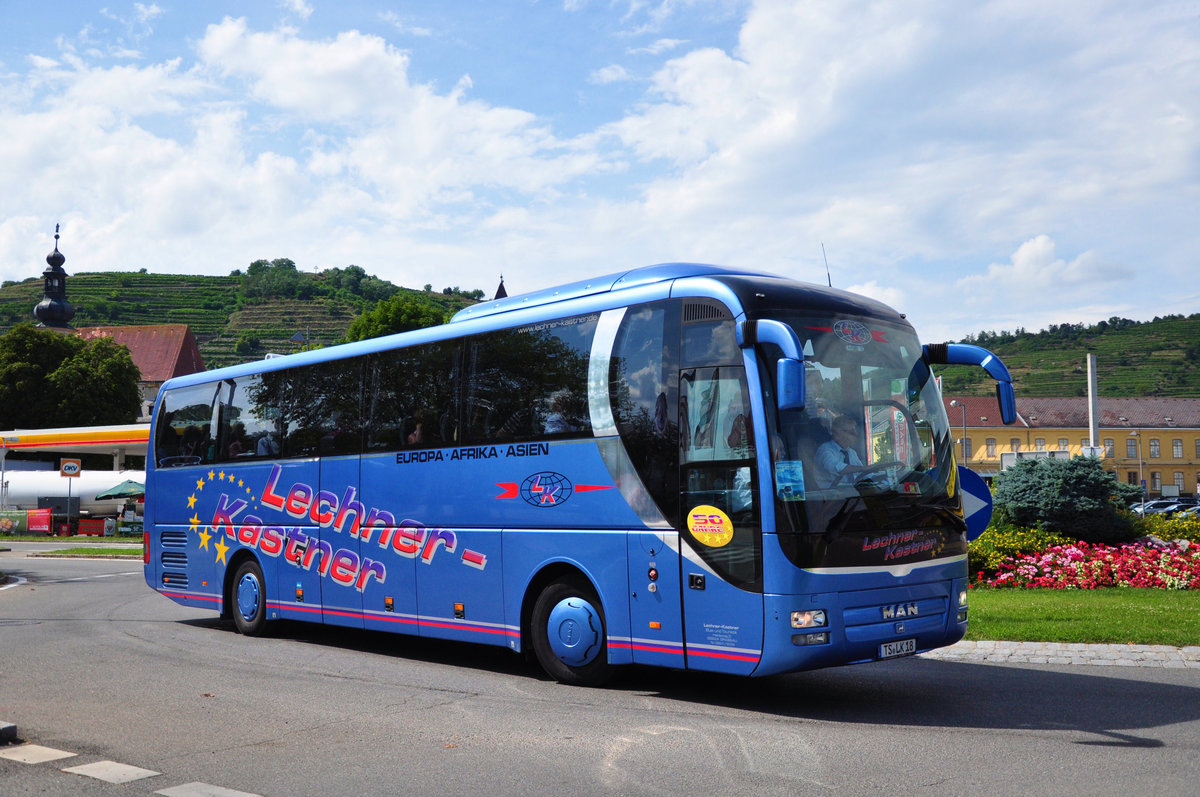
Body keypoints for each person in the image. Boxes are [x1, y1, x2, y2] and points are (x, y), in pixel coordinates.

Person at [815, 415, 892, 487]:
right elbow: (835, 468)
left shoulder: (851, 452)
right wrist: (865, 468)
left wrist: (880, 477)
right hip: (829, 496)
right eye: (852, 432)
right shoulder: (825, 449)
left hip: (850, 493)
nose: (856, 434)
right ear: (839, 433)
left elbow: (863, 473)